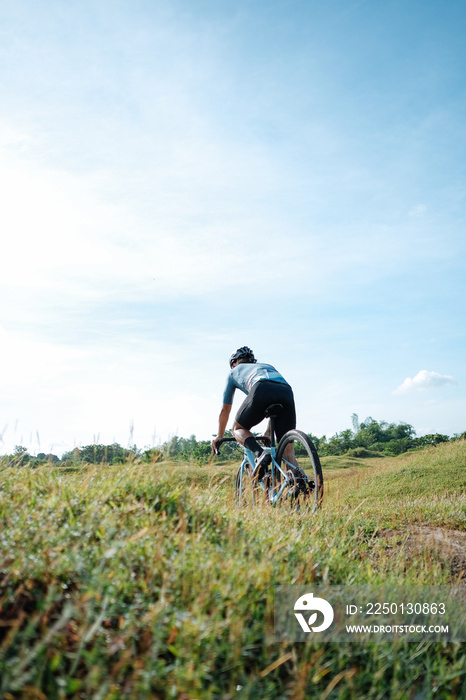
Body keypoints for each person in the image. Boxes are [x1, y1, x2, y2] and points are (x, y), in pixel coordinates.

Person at [211, 346, 298, 476]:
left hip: (261, 388)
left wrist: (220, 436)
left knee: (237, 428)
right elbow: (275, 395)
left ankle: (260, 454)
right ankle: (299, 482)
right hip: (286, 391)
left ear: (233, 363)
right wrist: (269, 431)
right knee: (288, 452)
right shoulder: (266, 366)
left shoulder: (233, 372)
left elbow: (225, 410)